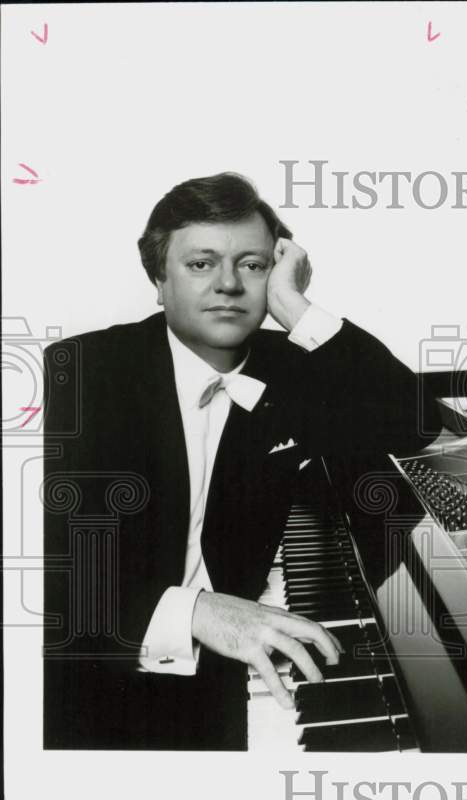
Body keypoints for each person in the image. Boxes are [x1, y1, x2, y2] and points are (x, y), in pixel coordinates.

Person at [42, 172, 440, 750]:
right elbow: (47, 571)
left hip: (233, 671)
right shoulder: (82, 374)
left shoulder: (291, 367)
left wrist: (293, 305)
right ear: (158, 279)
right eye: (201, 264)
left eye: (252, 266)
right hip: (102, 676)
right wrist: (198, 613)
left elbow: (415, 423)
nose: (228, 284)